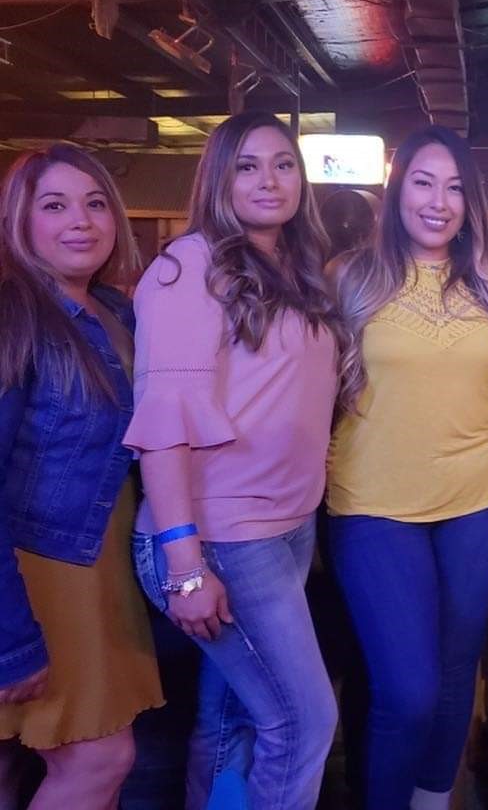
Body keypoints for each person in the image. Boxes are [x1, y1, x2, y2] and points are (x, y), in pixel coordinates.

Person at [126, 111, 340, 810]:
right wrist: (185, 567)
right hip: (221, 537)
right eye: (247, 166)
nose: (269, 180)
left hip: (286, 527)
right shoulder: (187, 267)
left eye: (283, 164)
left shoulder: (295, 268)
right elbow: (162, 427)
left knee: (231, 719)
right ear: (218, 178)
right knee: (303, 724)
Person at [326, 126, 488, 810]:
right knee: (407, 692)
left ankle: (433, 801)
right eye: (423, 182)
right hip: (373, 505)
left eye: (455, 188)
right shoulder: (348, 277)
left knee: (454, 674)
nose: (439, 202)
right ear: (396, 191)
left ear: (470, 204)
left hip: (483, 498)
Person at [0, 145, 163, 809]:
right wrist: (11, 637)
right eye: (55, 205)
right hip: (39, 574)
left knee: (19, 768)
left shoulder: (114, 310)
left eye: (96, 204)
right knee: (98, 759)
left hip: (100, 564)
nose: (82, 220)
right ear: (20, 220)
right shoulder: (14, 315)